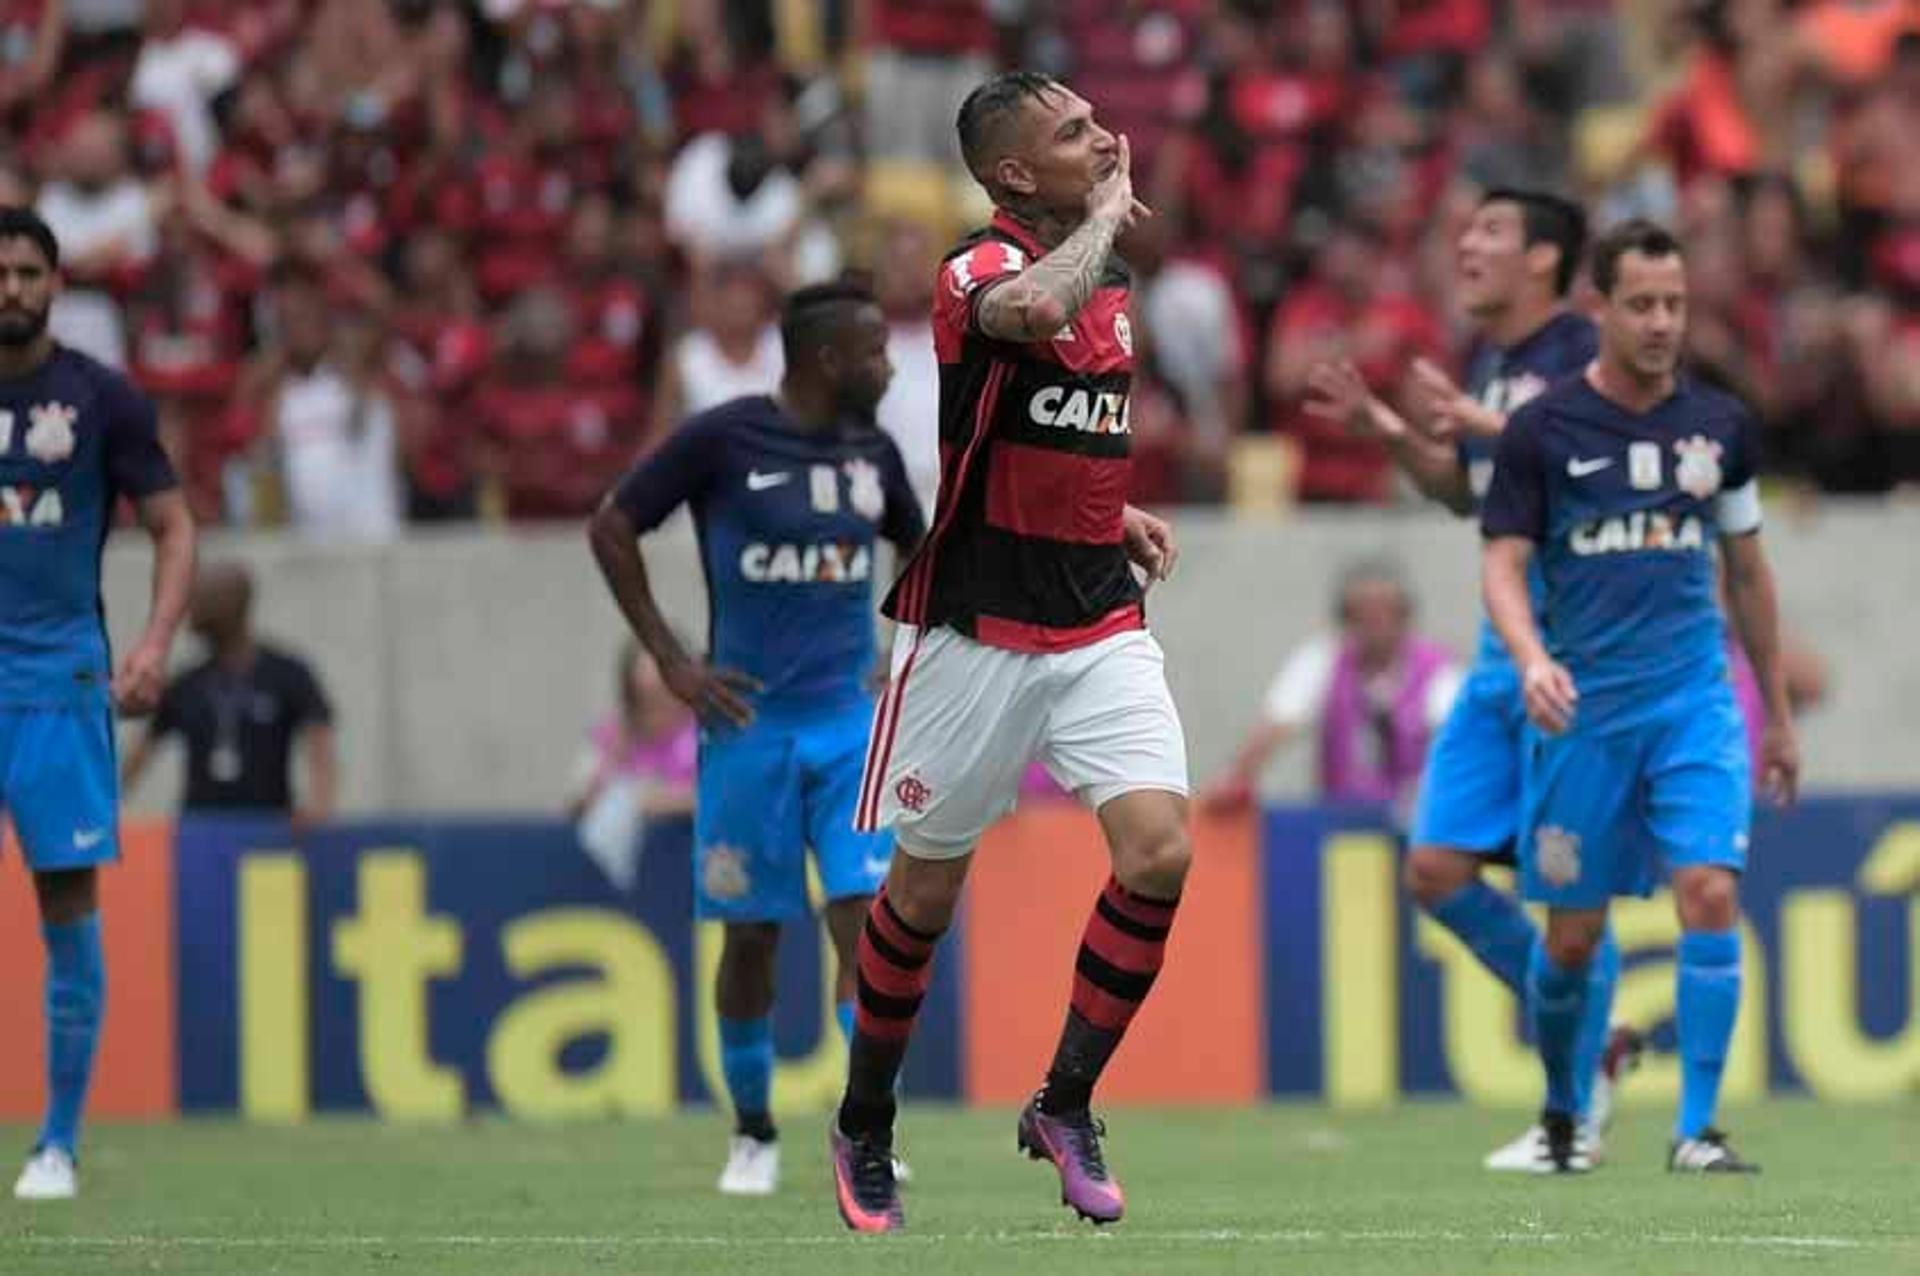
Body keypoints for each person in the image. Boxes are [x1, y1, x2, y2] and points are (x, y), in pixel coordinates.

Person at [831, 72, 1186, 1234]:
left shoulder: (1113, 281)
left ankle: (1064, 1102)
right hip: (973, 630)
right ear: (1013, 175)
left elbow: (1063, 425)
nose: (1106, 138)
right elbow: (1031, 320)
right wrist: (1100, 220)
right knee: (925, 895)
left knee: (1160, 852)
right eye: (1075, 132)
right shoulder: (974, 271)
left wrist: (1112, 513)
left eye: (1096, 122)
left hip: (1096, 621)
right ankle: (866, 1118)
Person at [1305, 188, 1640, 1171]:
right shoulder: (1494, 364)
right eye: (1467, 229)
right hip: (1504, 648)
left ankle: (1570, 1107)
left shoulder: (1588, 349)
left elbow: (1611, 462)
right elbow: (1461, 492)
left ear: (1544, 257)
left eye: (1492, 231)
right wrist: (1388, 428)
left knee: (1568, 889)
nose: (1468, 244)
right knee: (1436, 866)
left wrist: (1491, 431)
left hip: (1572, 655)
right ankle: (1602, 1036)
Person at [587, 281, 925, 1198]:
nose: (888, 368)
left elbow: (918, 548)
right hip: (746, 727)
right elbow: (613, 525)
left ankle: (866, 1131)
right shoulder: (725, 438)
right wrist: (671, 660)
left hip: (848, 730)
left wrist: (898, 654)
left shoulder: (873, 452)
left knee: (864, 926)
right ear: (824, 360)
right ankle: (753, 1130)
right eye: (873, 355)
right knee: (752, 940)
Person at [1481, 218, 1797, 1174]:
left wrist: (1776, 713)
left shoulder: (1721, 428)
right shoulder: (1543, 430)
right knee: (1572, 937)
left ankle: (1696, 1129)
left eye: (1676, 305)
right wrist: (1531, 656)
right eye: (1643, 305)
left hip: (1693, 701)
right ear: (1599, 310)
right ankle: (1564, 1113)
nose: (1662, 323)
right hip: (1585, 713)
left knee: (1708, 889)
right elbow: (1501, 564)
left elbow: (1748, 571)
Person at [0, 207, 197, 1200]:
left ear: (57, 284)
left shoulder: (99, 400)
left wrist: (155, 642)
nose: (13, 288)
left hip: (55, 682)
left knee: (66, 906)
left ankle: (58, 1145)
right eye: (1, 271)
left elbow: (173, 526)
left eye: (30, 271)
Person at [1205, 562, 1460, 817]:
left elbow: (1457, 739)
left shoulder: (1437, 670)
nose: (1376, 626)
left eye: (1386, 613)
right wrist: (1235, 777)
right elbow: (1276, 725)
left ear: (1404, 616)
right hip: (1340, 820)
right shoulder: (1323, 660)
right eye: (1363, 615)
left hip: (1417, 822)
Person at [121, 562, 336, 827]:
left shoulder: (288, 674)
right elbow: (139, 755)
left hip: (270, 832)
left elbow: (319, 738)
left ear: (234, 604)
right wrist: (105, 809)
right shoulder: (187, 683)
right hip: (199, 835)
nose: (191, 609)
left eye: (202, 599)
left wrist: (320, 803)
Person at [564, 641, 697, 892]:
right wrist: (604, 785)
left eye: (665, 694)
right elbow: (575, 802)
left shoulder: (709, 734)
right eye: (645, 699)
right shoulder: (610, 735)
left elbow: (725, 798)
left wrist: (660, 800)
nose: (657, 709)